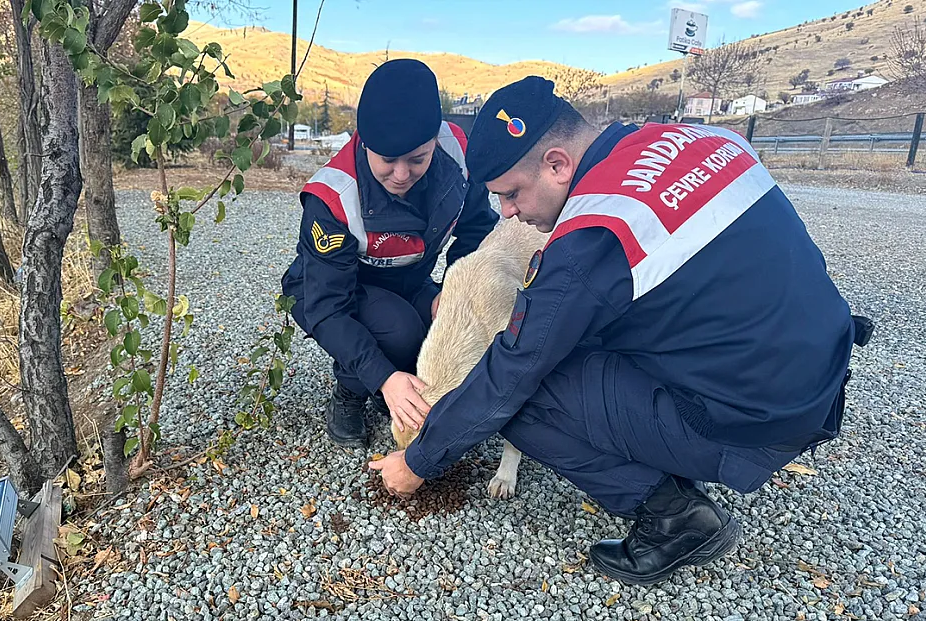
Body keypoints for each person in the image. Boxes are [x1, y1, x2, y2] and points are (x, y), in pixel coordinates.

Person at [369, 75, 873, 585]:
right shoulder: (704, 140)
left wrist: (419, 461)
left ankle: (676, 518)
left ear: (557, 164)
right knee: (583, 338)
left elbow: (512, 373)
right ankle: (670, 446)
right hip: (822, 369)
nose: (508, 213)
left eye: (512, 194)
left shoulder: (594, 234)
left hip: (758, 419)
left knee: (519, 397)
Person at [281, 59, 499, 448]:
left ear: (435, 140)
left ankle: (394, 381)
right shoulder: (333, 197)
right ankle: (350, 393)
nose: (402, 175)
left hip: (408, 278)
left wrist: (452, 289)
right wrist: (384, 377)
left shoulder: (461, 154)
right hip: (330, 292)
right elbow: (327, 309)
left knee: (444, 328)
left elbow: (477, 230)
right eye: (387, 160)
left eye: (417, 159)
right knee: (400, 331)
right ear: (364, 141)